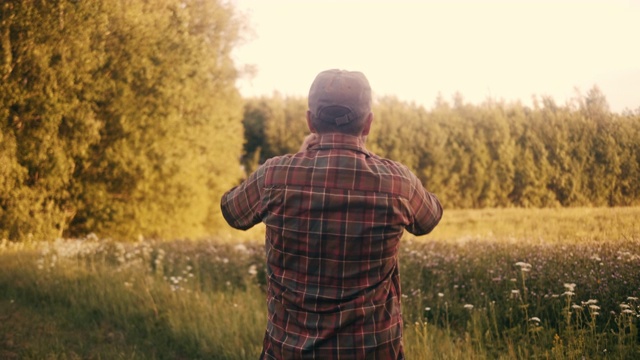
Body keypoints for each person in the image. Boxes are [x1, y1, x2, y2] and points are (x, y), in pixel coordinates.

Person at [220, 69, 443, 359]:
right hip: (371, 352)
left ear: (311, 121)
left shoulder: (273, 175)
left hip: (288, 352)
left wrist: (297, 159)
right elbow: (430, 217)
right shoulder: (397, 181)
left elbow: (231, 211)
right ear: (368, 124)